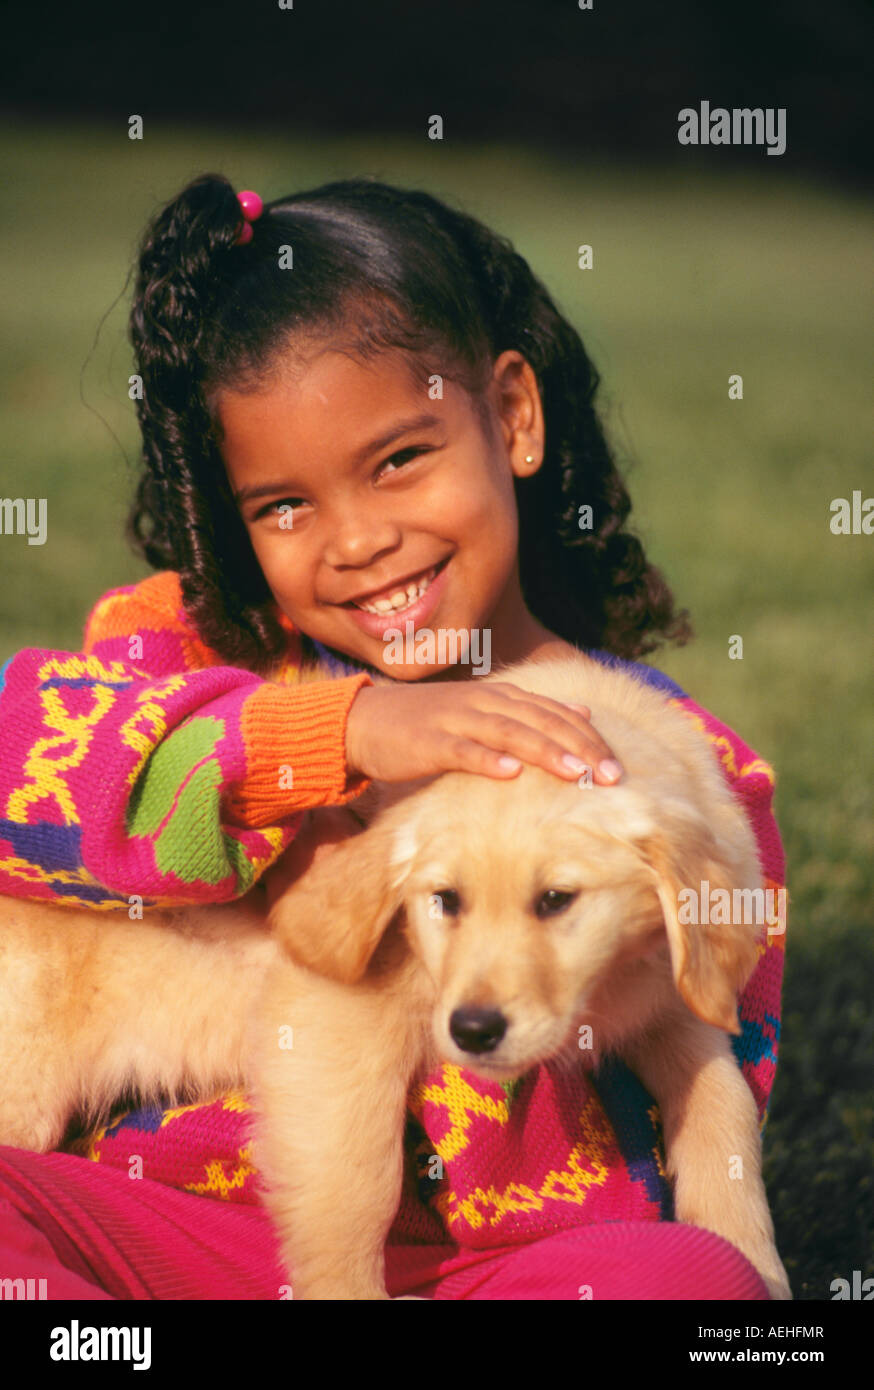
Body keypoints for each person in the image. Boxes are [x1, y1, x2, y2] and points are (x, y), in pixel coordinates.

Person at [0, 175, 786, 1299]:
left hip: (484, 1269)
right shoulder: (202, 654)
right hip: (168, 1233)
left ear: (512, 416)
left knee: (691, 1287)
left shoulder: (690, 773)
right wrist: (327, 736)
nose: (357, 540)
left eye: (398, 459)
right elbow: (20, 748)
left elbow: (706, 1030)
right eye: (283, 505)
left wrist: (710, 1160)